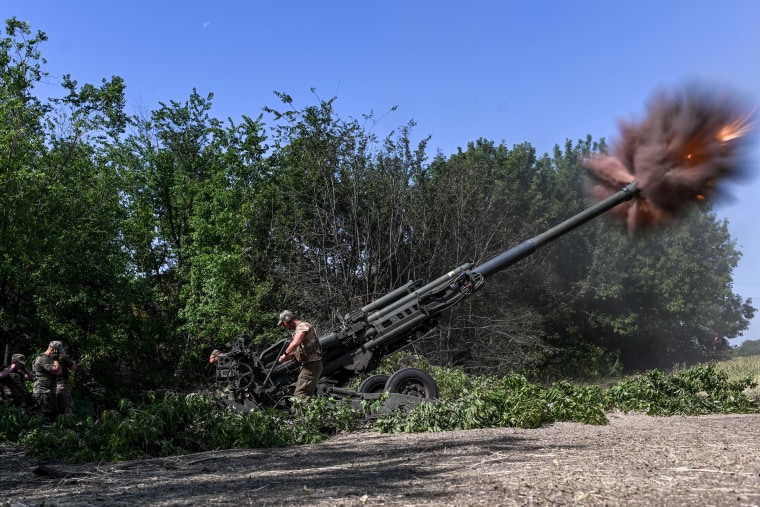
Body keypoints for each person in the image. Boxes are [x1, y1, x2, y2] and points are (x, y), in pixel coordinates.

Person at [276, 310, 324, 398]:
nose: (284, 327)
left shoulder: (302, 326)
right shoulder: (297, 331)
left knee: (300, 396)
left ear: (288, 319)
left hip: (312, 364)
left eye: (283, 324)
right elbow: (297, 350)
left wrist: (285, 354)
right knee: (305, 395)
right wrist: (286, 357)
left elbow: (295, 343)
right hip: (309, 364)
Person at [32, 341, 63, 421]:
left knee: (52, 416)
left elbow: (60, 372)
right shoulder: (42, 358)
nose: (59, 354)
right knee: (42, 416)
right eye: (58, 352)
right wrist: (56, 359)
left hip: (49, 391)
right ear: (53, 350)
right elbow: (57, 371)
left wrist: (55, 360)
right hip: (42, 392)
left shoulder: (50, 359)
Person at [56, 344, 78, 416]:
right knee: (66, 407)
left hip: (51, 384)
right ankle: (67, 423)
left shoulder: (47, 357)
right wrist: (73, 361)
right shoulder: (63, 356)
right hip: (62, 384)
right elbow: (73, 367)